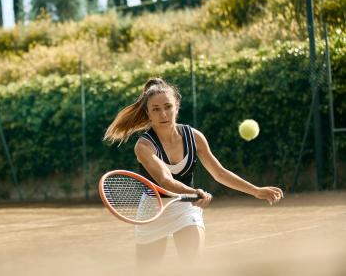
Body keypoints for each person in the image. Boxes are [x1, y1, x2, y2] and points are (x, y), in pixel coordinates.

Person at [103, 77, 284, 263]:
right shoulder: (144, 146)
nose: (163, 114)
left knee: (193, 264)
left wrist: (256, 190)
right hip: (153, 210)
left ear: (177, 107)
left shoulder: (194, 137)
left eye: (168, 107)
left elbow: (219, 173)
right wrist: (194, 192)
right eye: (156, 109)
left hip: (185, 208)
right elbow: (166, 180)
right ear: (148, 113)